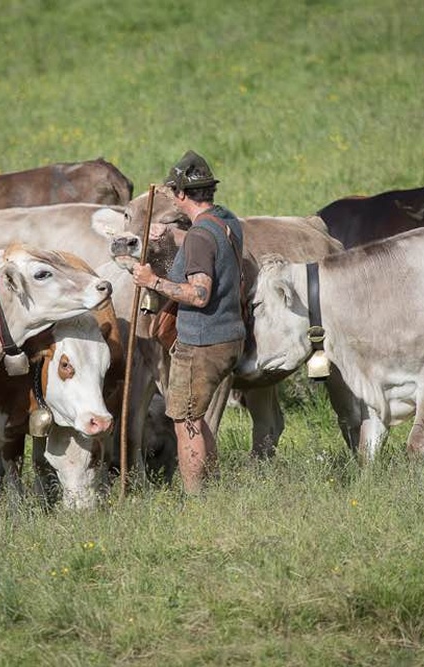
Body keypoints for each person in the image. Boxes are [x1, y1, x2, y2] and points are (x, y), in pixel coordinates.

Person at [131, 150, 245, 493]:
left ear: (182, 193)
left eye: (173, 192)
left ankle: (196, 498)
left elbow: (199, 294)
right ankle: (212, 488)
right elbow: (206, 246)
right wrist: (167, 235)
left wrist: (152, 281)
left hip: (201, 343)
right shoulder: (225, 220)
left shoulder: (198, 237)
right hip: (230, 335)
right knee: (196, 417)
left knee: (185, 423)